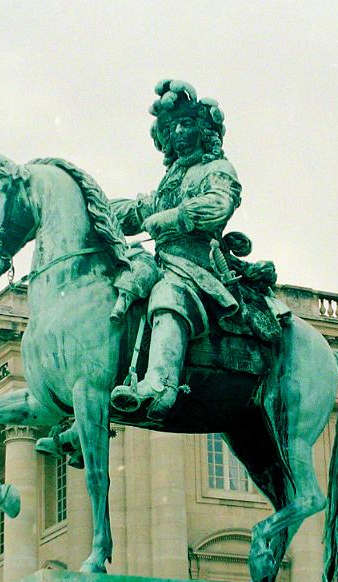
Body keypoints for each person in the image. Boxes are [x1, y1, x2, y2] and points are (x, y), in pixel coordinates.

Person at [109, 79, 243, 421]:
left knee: (169, 292)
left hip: (197, 264)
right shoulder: (171, 179)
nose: (178, 132)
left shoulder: (216, 169)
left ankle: (161, 383)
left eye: (186, 124)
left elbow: (219, 203)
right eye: (172, 128)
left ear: (204, 130)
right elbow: (140, 211)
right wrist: (96, 208)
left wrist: (175, 216)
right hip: (164, 261)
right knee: (125, 281)